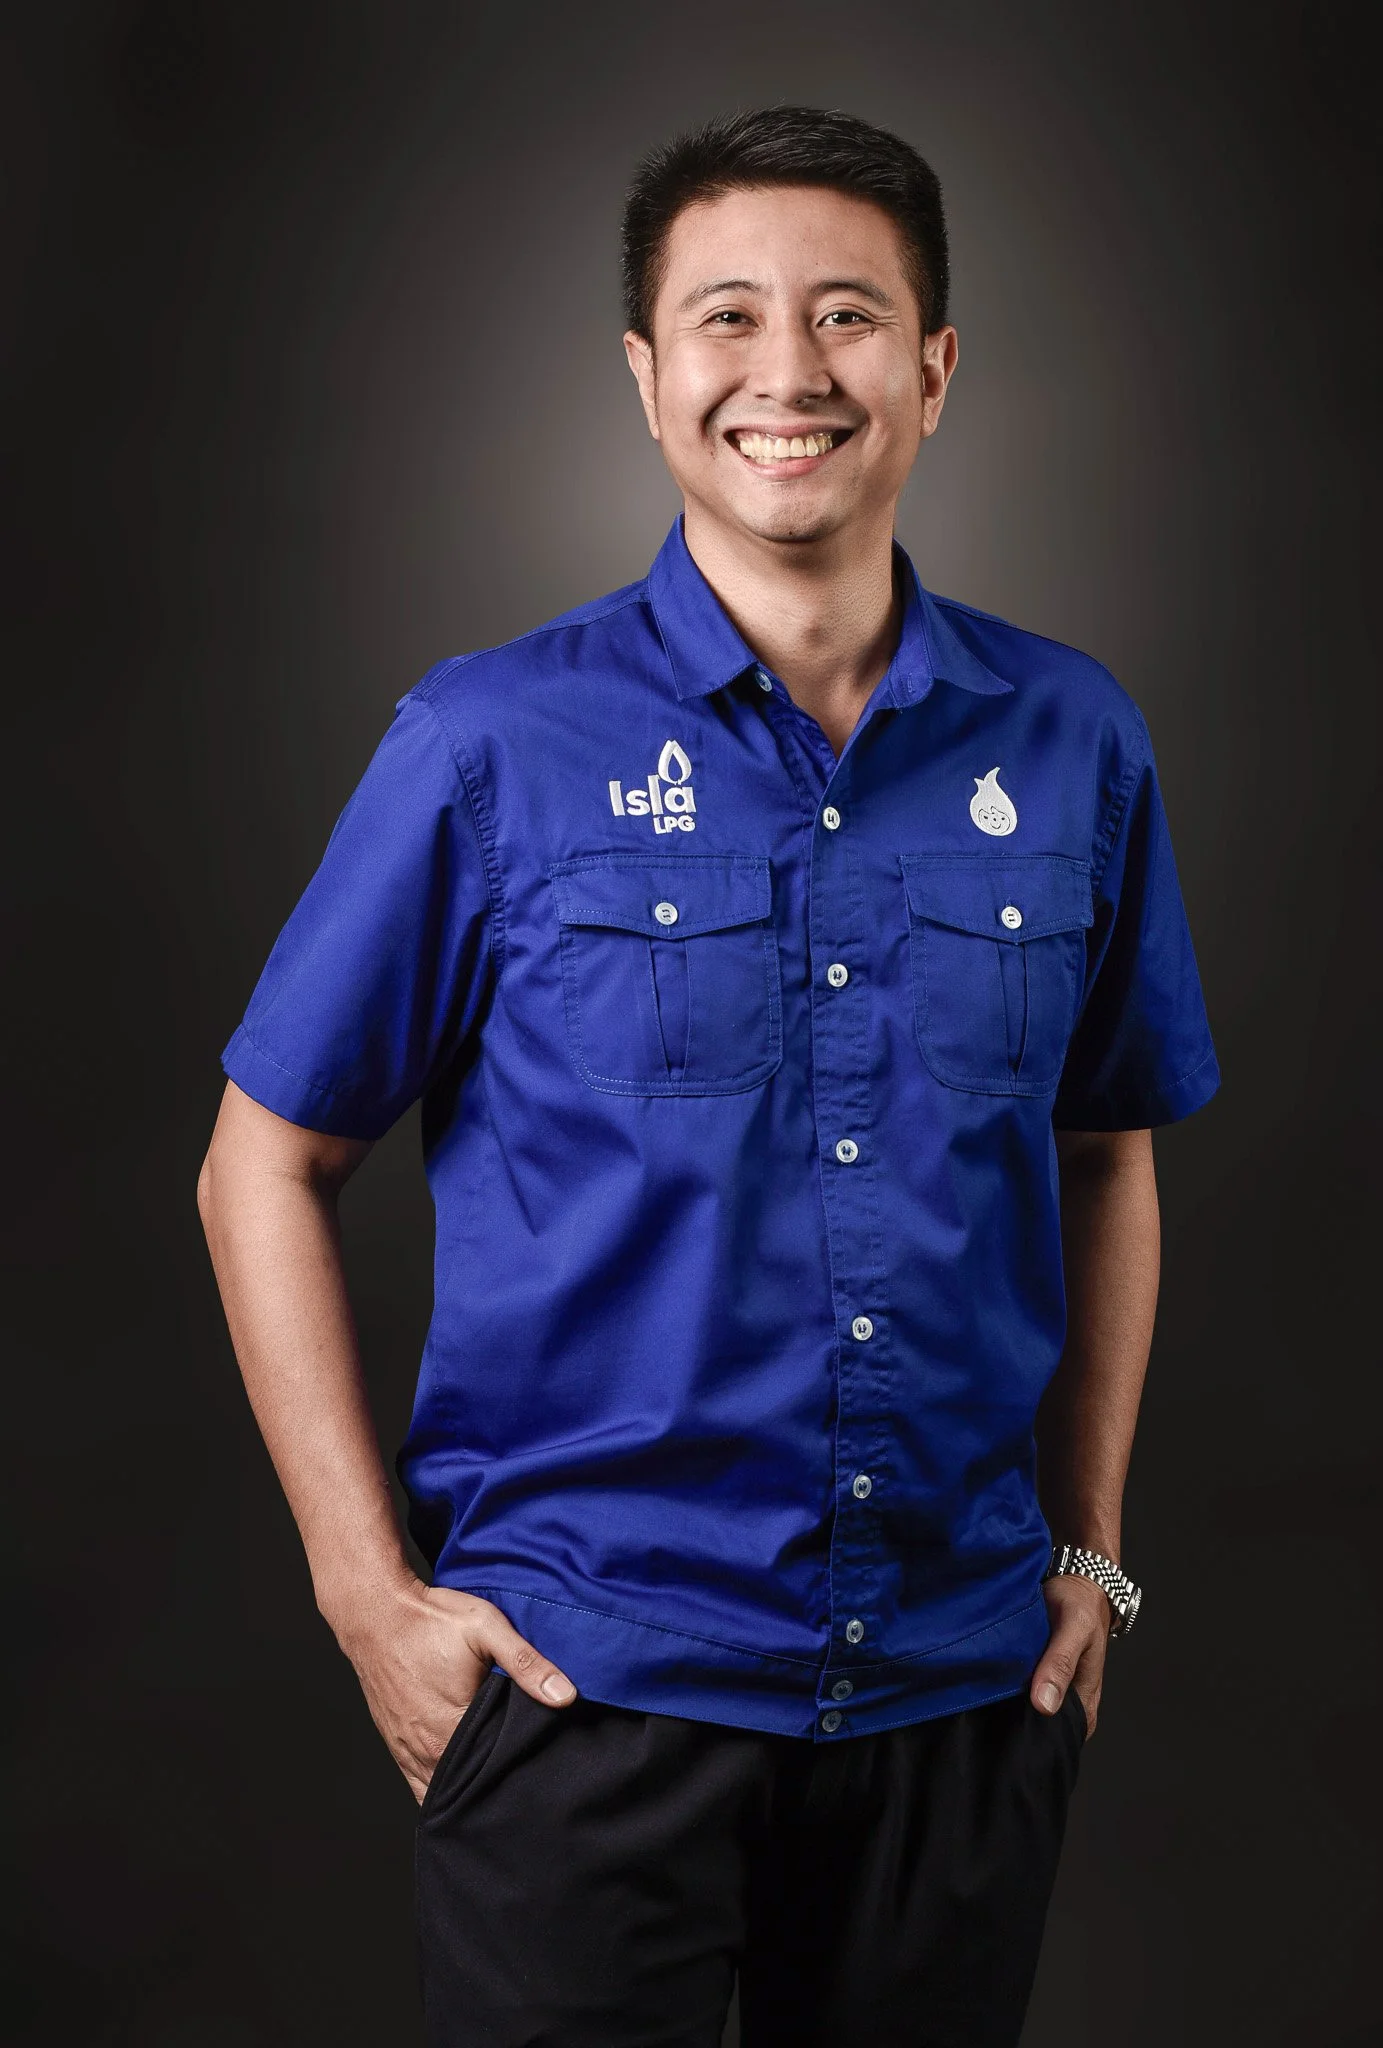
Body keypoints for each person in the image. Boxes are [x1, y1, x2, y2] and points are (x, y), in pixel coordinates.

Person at [198, 105, 1221, 2047]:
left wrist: (1086, 1541)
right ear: (646, 379)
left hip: (956, 1692)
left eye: (847, 316)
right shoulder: (488, 743)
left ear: (929, 369)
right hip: (585, 1698)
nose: (787, 370)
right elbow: (261, 1159)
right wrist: (364, 1595)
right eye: (727, 316)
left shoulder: (1076, 742)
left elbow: (1108, 1151)